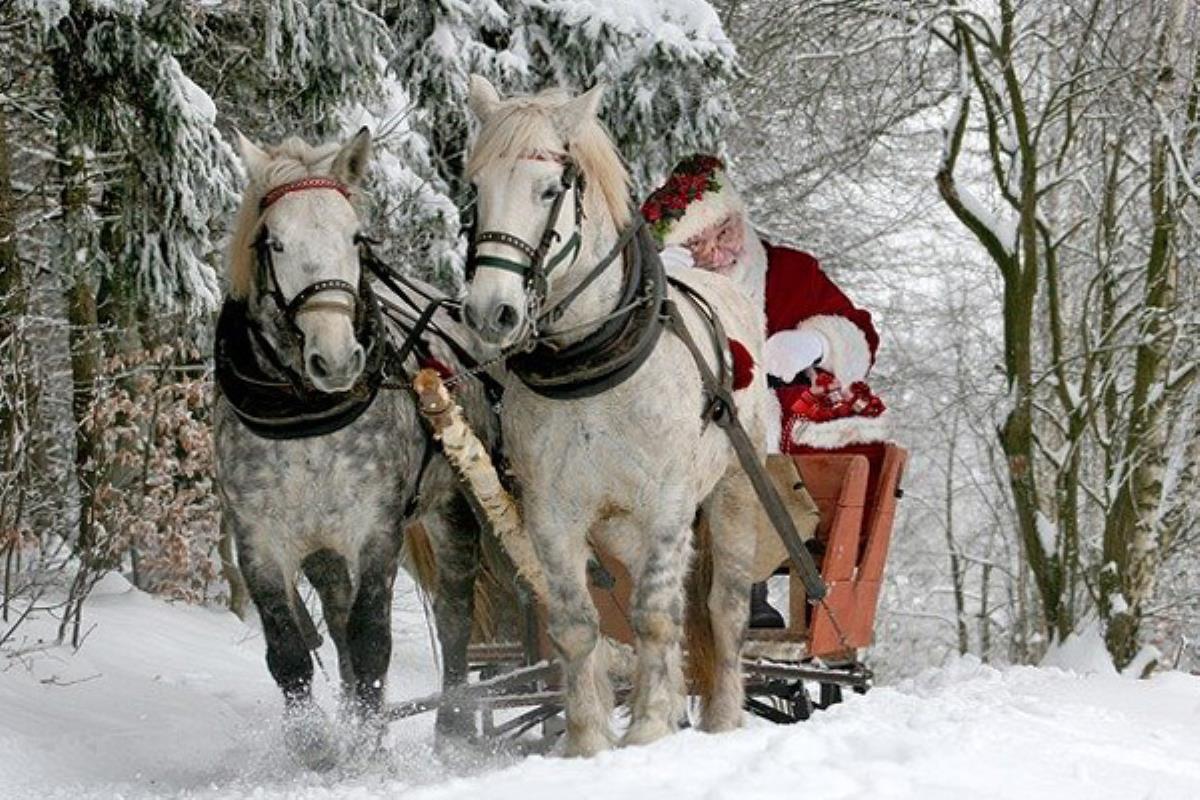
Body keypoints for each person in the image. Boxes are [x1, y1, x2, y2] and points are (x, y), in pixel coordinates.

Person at [642, 155, 888, 628]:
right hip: (674, 436)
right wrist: (657, 289)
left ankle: (750, 590)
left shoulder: (790, 272)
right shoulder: (655, 282)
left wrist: (816, 344)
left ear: (740, 218)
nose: (718, 254)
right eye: (697, 245)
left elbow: (858, 335)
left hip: (770, 450)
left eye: (725, 234)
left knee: (751, 453)